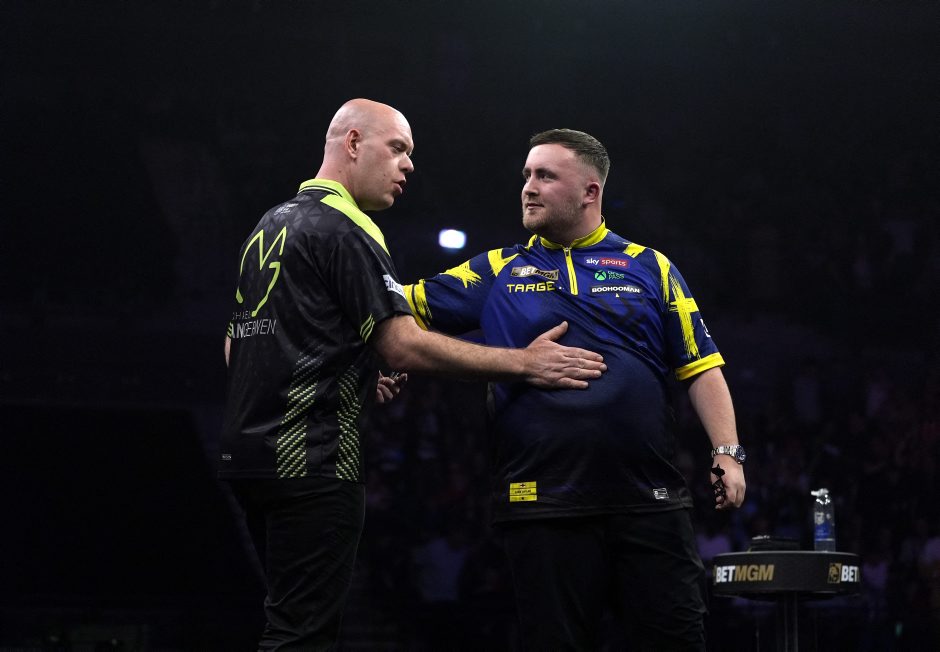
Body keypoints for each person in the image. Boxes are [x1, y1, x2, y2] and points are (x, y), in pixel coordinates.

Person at [219, 102, 607, 651]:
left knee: (285, 622)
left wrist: (350, 366)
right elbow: (401, 346)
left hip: (248, 460)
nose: (408, 165)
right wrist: (525, 362)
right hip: (311, 461)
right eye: (398, 148)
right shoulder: (348, 227)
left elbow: (237, 347)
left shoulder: (270, 224)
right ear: (354, 143)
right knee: (301, 637)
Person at [403, 129, 746, 651]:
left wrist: (727, 452)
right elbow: (396, 310)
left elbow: (701, 367)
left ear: (590, 191)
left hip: (648, 502)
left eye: (545, 176)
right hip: (544, 505)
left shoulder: (651, 267)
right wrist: (383, 358)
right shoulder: (497, 270)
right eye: (526, 175)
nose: (528, 187)